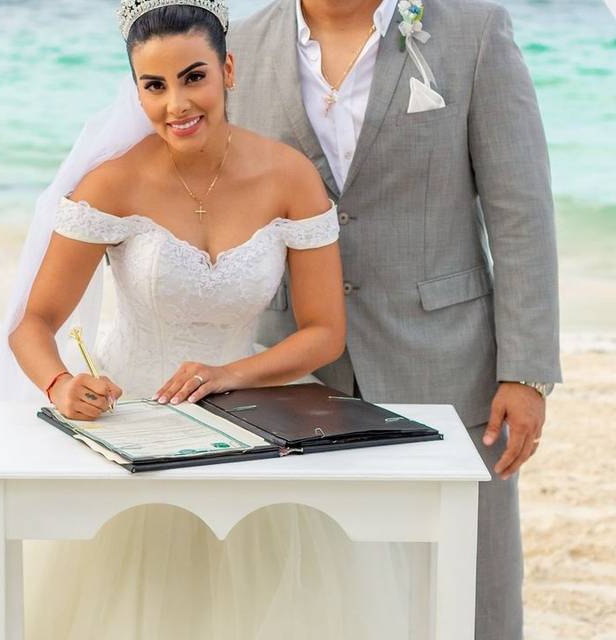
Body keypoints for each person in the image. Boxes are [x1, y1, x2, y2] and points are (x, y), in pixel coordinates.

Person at [0, 1, 422, 637]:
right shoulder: (113, 184)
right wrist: (61, 386)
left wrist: (230, 374)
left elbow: (322, 333)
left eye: (193, 77)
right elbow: (34, 322)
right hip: (129, 422)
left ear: (228, 69)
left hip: (248, 423)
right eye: (155, 85)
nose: (177, 104)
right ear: (136, 88)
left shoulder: (289, 177)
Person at [226, 0, 562, 637]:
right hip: (293, 374)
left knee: (471, 588)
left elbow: (520, 209)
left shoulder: (474, 30)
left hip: (447, 364)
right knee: (315, 589)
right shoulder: (240, 42)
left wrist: (527, 370)